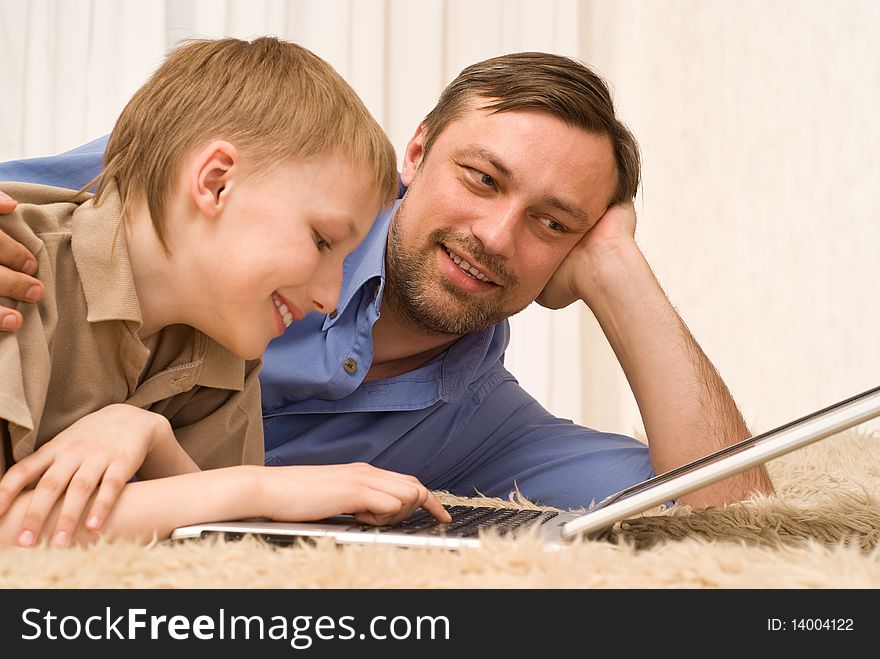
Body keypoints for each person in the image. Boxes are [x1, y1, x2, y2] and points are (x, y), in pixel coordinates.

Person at [0, 51, 774, 521]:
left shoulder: (490, 427)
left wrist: (618, 270)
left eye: (551, 223)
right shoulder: (265, 180)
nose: (496, 235)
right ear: (419, 151)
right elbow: (57, 218)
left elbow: (739, 519)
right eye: (482, 178)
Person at [0, 36, 451, 549]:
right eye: (321, 240)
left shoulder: (227, 347)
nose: (330, 297)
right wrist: (259, 488)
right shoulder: (17, 270)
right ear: (215, 183)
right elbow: (14, 532)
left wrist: (151, 436)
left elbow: (205, 537)